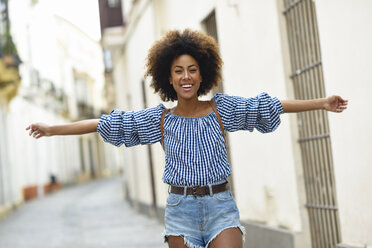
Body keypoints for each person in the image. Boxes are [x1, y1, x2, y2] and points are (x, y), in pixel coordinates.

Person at [26, 29, 348, 248]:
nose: (186, 77)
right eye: (179, 71)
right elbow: (107, 124)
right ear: (169, 76)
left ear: (202, 73)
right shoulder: (160, 119)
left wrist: (321, 103)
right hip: (180, 209)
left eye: (192, 69)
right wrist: (53, 129)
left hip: (221, 205)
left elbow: (268, 106)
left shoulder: (222, 109)